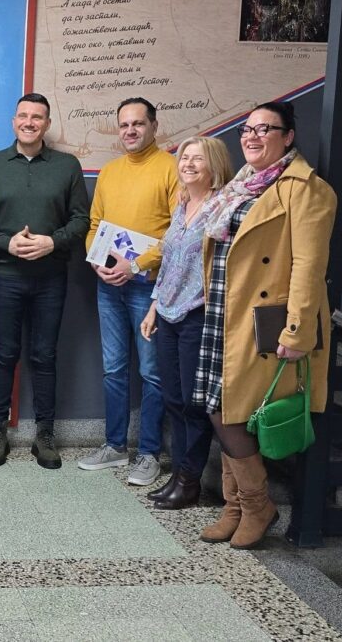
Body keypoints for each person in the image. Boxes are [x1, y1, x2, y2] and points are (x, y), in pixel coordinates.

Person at [192, 101, 335, 549]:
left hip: (264, 319)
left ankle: (257, 506)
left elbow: (309, 266)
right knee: (219, 405)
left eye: (264, 129)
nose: (252, 137)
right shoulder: (241, 185)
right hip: (225, 312)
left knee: (232, 411)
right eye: (247, 130)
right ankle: (235, 506)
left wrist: (297, 331)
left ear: (288, 136)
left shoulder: (306, 190)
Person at [0, 93, 88, 470]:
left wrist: (51, 242)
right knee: (5, 354)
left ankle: (45, 435)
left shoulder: (67, 165)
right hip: (5, 275)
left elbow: (81, 220)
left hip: (50, 277)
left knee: (44, 355)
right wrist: (6, 243)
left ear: (47, 124)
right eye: (23, 116)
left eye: (37, 117)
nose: (29, 122)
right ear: (13, 122)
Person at [79, 97, 178, 487]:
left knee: (152, 372)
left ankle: (149, 453)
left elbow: (179, 232)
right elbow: (95, 225)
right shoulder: (110, 171)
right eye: (124, 125)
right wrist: (96, 261)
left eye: (138, 123)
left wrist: (136, 265)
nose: (130, 130)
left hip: (149, 288)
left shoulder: (172, 168)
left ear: (154, 126)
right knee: (114, 368)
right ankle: (115, 445)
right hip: (108, 285)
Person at [139, 136, 233, 510]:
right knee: (173, 399)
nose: (188, 164)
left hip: (198, 316)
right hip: (167, 313)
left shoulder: (222, 208)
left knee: (194, 403)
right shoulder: (182, 205)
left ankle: (189, 481)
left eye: (197, 159)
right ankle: (179, 475)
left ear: (215, 165)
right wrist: (153, 307)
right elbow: (168, 262)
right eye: (184, 158)